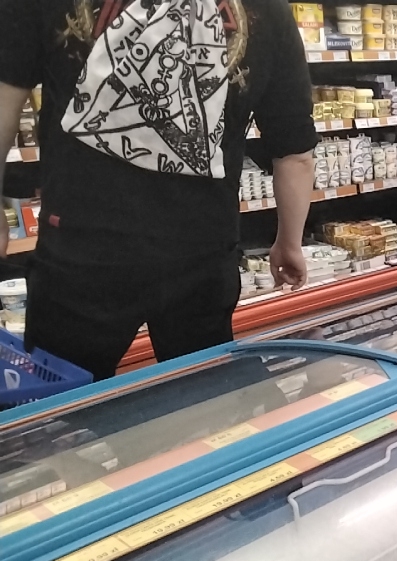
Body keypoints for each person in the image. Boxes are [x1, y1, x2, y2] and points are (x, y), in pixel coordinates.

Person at [0, 0, 318, 379]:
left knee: (59, 401)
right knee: (205, 404)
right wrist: (289, 241)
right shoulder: (268, 10)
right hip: (201, 252)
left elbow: (5, 97)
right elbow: (295, 153)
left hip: (81, 249)